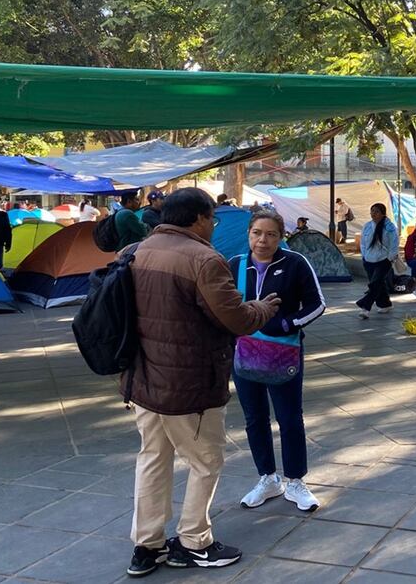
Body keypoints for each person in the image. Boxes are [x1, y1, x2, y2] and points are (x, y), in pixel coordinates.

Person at [123, 187, 281, 577]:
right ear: (197, 218)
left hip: (141, 380)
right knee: (206, 461)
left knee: (152, 459)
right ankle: (195, 542)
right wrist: (264, 307)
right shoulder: (204, 260)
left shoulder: (134, 252)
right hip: (188, 384)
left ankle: (148, 545)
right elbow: (237, 319)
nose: (213, 225)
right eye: (212, 218)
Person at [228, 210, 325, 514]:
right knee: (254, 419)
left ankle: (295, 480)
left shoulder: (295, 263)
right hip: (244, 355)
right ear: (249, 234)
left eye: (271, 234)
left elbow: (317, 303)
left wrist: (287, 324)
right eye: (257, 232)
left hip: (283, 354)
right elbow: (223, 305)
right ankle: (267, 478)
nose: (263, 240)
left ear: (281, 236)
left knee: (290, 419)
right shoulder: (235, 264)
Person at [356, 203, 400, 318]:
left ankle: (365, 306)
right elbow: (363, 243)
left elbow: (394, 244)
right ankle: (385, 304)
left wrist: (390, 258)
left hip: (383, 260)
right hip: (369, 260)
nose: (373, 214)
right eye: (372, 211)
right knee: (379, 284)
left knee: (374, 284)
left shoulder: (389, 227)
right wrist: (364, 256)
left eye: (376, 211)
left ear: (382, 213)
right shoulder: (367, 226)